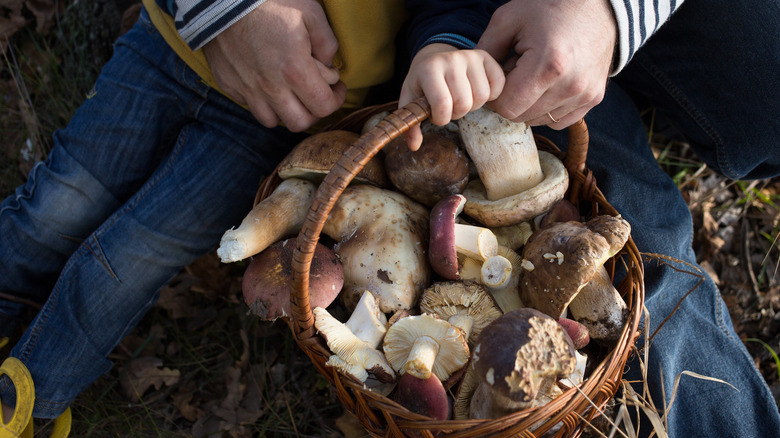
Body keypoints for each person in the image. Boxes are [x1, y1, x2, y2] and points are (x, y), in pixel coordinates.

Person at [0, 0, 507, 434]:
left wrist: (445, 40)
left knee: (130, 256)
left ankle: (28, 393)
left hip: (282, 113)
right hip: (169, 45)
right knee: (58, 199)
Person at [450, 0, 779, 437]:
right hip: (484, 43)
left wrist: (609, 13)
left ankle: (629, 73)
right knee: (646, 255)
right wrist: (444, 41)